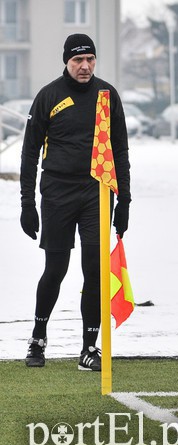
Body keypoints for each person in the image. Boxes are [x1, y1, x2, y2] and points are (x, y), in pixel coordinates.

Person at [20, 34, 131, 370]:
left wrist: (124, 200)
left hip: (97, 192)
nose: (85, 66)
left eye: (90, 60)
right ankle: (38, 339)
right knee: (55, 269)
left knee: (94, 271)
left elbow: (121, 150)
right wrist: (28, 203)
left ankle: (88, 347)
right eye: (78, 61)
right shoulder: (49, 96)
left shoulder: (107, 96)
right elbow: (29, 152)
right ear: (66, 62)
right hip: (56, 192)